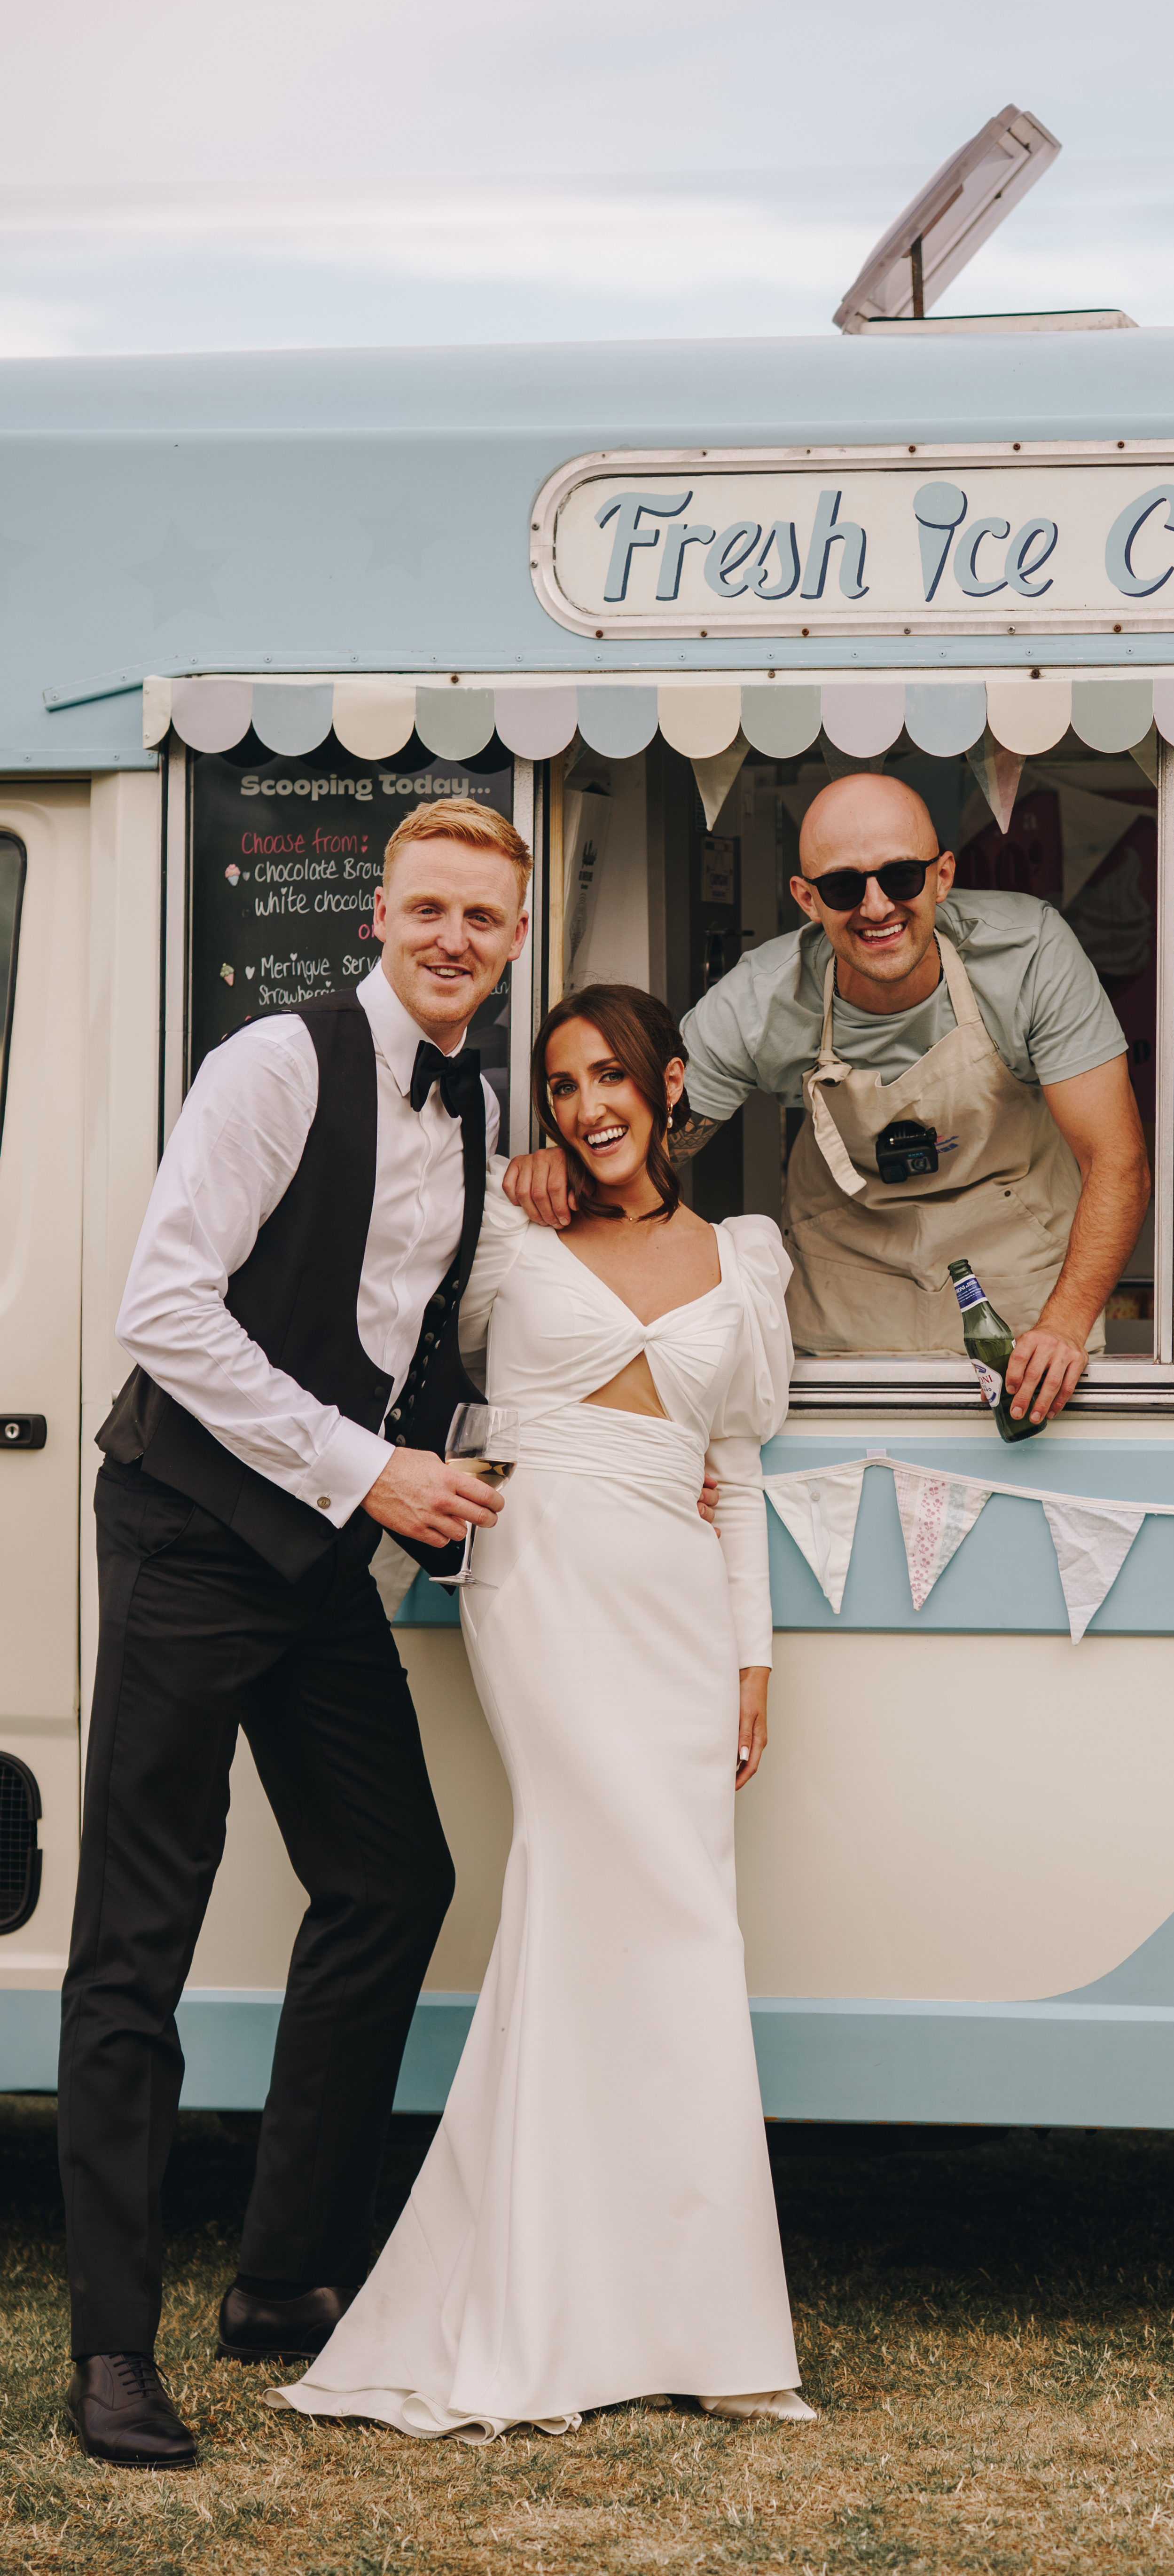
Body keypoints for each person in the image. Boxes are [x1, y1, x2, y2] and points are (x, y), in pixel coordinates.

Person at [58, 798, 718, 2471]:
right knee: (140, 1931)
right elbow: (163, 1308)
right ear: (378, 912)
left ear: (507, 948)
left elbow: (424, 1314)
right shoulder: (271, 1066)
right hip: (193, 1534)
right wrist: (373, 1476)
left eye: (482, 923)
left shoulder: (486, 1101)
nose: (452, 941)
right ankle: (113, 2355)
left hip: (314, 1558)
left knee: (394, 1877)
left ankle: (280, 2276)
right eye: (429, 909)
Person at [272, 983, 812, 2440]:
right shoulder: (511, 1231)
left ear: (669, 1086)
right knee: (586, 1882)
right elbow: (416, 1349)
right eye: (564, 1085)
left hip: (681, 1604)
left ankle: (693, 2317)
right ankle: (531, 2301)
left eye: (610, 1077)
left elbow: (739, 1471)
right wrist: (499, 1197)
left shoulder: (740, 1260)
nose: (587, 1107)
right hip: (541, 1580)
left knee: (686, 1924)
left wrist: (754, 1659)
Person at [507, 772, 1151, 1427]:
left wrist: (1066, 1325)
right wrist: (574, 1161)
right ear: (807, 899)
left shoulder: (1029, 954)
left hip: (1021, 1307)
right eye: (845, 886)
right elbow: (647, 1131)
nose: (876, 907)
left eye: (900, 876)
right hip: (845, 1312)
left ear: (943, 875)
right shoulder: (760, 1000)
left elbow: (1117, 1159)